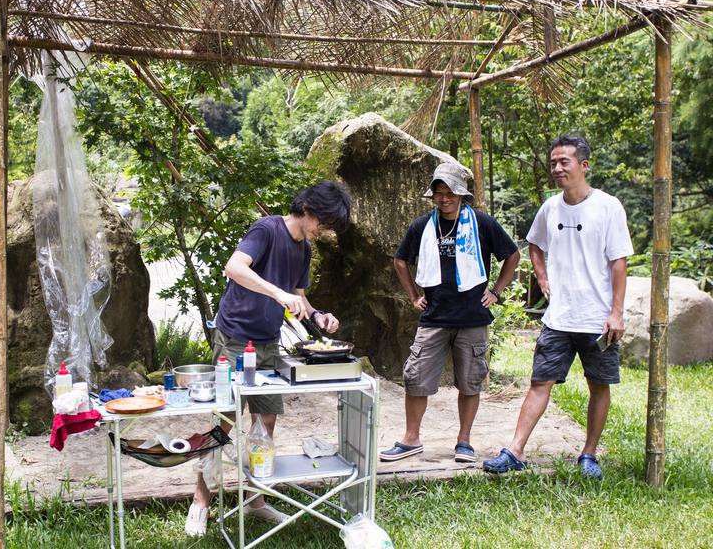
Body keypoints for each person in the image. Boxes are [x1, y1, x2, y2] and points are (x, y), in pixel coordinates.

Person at [185, 181, 352, 537]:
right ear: (308, 210)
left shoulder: (304, 249)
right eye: (323, 222)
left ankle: (255, 501)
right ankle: (200, 503)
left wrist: (318, 316)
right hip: (233, 340)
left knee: (267, 423)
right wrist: (277, 293)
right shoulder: (267, 229)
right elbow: (234, 268)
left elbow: (299, 300)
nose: (323, 231)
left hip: (267, 343)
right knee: (224, 421)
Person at [483, 135, 633, 480]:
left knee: (599, 385)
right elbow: (534, 244)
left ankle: (589, 455)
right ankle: (515, 451)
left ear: (584, 165)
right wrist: (543, 278)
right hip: (559, 318)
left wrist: (616, 312)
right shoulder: (550, 208)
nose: (557, 168)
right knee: (540, 382)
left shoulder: (608, 207)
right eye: (553, 163)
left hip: (597, 318)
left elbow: (619, 264)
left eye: (564, 161)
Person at [380, 162, 520, 464]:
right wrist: (414, 295)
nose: (443, 199)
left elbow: (513, 255)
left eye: (449, 193)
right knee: (416, 377)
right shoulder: (422, 226)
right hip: (434, 316)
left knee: (470, 382)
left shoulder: (482, 224)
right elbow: (401, 260)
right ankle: (411, 439)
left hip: (472, 317)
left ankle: (464, 441)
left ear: (461, 195)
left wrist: (495, 292)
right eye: (438, 193)